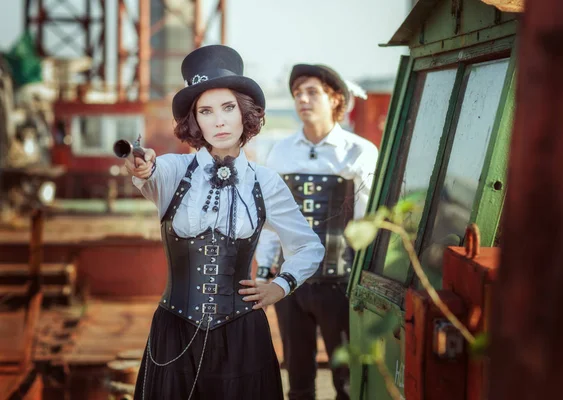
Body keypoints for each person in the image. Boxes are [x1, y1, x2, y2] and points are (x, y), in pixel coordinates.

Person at [125, 45, 325, 400]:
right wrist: (142, 164)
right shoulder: (172, 171)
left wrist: (281, 285)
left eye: (228, 108)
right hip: (175, 333)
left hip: (242, 337)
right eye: (206, 111)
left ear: (244, 113)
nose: (218, 121)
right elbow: (149, 172)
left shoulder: (264, 181)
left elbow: (308, 246)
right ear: (195, 121)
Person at [255, 64, 379, 400]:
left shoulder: (359, 152)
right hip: (289, 285)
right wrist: (265, 271)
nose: (302, 100)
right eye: (297, 93)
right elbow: (269, 220)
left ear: (335, 97)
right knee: (296, 376)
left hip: (340, 283)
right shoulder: (280, 151)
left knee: (347, 379)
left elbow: (368, 222)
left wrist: (365, 278)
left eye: (312, 92)